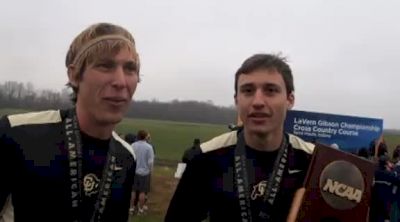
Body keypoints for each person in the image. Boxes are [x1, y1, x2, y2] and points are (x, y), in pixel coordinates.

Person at [0, 22, 140, 222]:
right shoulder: (16, 133)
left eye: (130, 69)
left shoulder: (126, 156)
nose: (120, 81)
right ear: (74, 75)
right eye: (105, 66)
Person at [165, 54, 315, 222]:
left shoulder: (314, 163)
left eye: (271, 90)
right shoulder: (205, 158)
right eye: (248, 91)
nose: (258, 101)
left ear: (290, 99)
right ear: (237, 100)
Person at [130, 130, 154, 215]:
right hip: (144, 172)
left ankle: (131, 208)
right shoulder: (149, 147)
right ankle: (140, 209)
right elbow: (150, 162)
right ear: (145, 137)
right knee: (142, 192)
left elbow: (130, 158)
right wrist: (151, 171)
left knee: (133, 191)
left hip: (134, 171)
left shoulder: (133, 145)